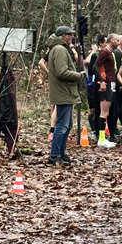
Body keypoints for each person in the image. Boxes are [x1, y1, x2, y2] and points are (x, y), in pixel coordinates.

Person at [45, 26, 85, 166]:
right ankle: (55, 155)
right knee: (62, 125)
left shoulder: (59, 48)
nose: (72, 37)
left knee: (67, 125)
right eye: (70, 35)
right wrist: (78, 75)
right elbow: (62, 72)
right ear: (63, 36)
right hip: (64, 92)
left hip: (66, 91)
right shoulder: (60, 50)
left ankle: (61, 153)